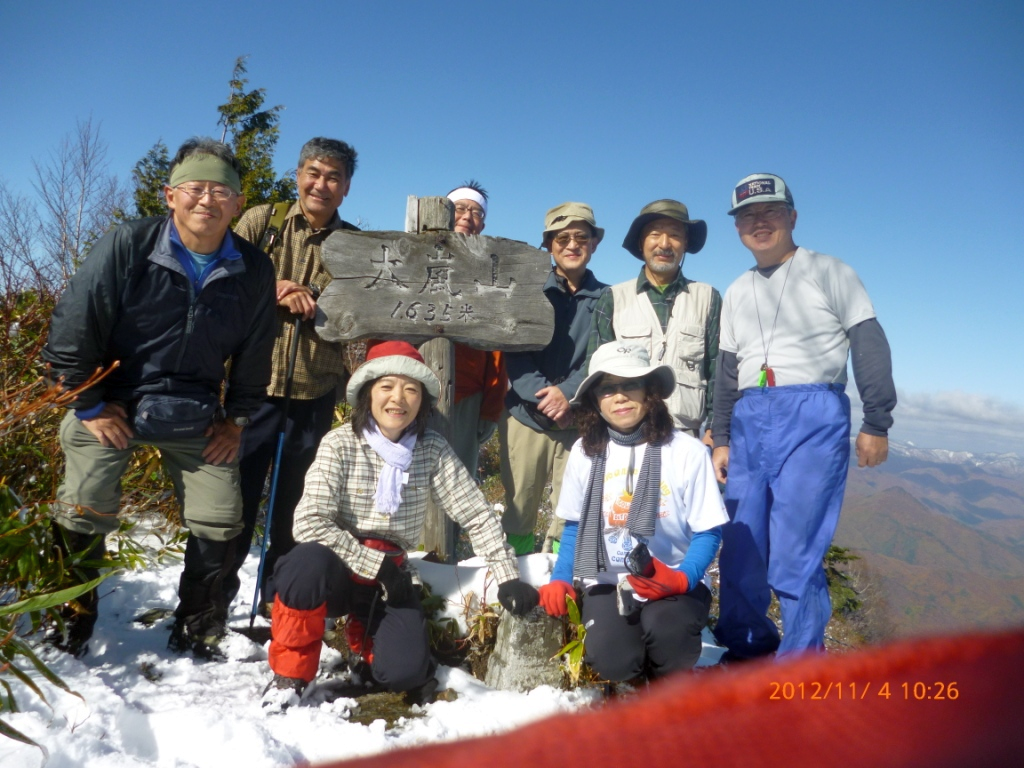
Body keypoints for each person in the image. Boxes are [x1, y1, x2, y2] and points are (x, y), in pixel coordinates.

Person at [41, 137, 276, 658]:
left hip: (195, 410)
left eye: (221, 191)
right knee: (84, 506)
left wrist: (236, 419)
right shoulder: (130, 244)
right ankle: (69, 622)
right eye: (195, 188)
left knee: (221, 516)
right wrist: (89, 404)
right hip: (114, 402)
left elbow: (258, 352)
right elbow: (74, 324)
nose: (207, 201)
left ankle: (198, 625)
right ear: (170, 195)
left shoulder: (253, 269)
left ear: (238, 203)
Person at [263, 341, 538, 705]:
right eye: (387, 387)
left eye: (411, 389)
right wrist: (372, 564)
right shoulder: (340, 443)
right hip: (335, 568)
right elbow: (309, 522)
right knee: (304, 563)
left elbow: (475, 512)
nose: (399, 399)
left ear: (422, 401)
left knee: (404, 672)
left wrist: (507, 577)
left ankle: (367, 650)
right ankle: (290, 675)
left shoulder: (431, 449)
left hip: (389, 577)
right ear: (367, 393)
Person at [711, 173, 896, 660]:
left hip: (812, 416)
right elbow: (726, 373)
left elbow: (868, 343)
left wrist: (877, 421)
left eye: (771, 211)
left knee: (797, 550)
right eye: (748, 215)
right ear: (737, 229)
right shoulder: (736, 290)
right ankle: (745, 649)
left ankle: (799, 669)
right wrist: (722, 437)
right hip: (750, 417)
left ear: (793, 217)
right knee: (742, 541)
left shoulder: (830, 271)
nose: (759, 221)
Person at [537, 342, 727, 680]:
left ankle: (666, 686)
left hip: (672, 576)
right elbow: (574, 526)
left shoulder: (686, 452)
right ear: (595, 400)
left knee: (668, 634)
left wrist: (682, 578)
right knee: (613, 659)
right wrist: (562, 577)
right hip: (607, 579)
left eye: (630, 384)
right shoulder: (585, 452)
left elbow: (708, 530)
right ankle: (634, 682)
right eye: (608, 388)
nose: (620, 397)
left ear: (650, 391)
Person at [231, 137, 360, 605]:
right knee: (234, 502)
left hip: (316, 389)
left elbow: (357, 319)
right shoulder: (260, 222)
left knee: (295, 507)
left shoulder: (354, 248)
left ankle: (277, 601)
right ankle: (212, 602)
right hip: (251, 387)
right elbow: (221, 281)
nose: (320, 184)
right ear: (298, 174)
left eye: (332, 177)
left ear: (346, 188)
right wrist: (274, 286)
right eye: (313, 172)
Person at [500, 203, 609, 555]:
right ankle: (514, 576)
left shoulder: (608, 299)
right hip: (525, 417)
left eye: (581, 236)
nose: (572, 244)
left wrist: (567, 395)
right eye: (562, 238)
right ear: (549, 245)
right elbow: (515, 352)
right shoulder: (528, 292)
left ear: (594, 243)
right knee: (518, 506)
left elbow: (601, 356)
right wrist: (545, 396)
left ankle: (560, 584)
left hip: (577, 419)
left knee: (570, 510)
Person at [588, 199, 721, 444]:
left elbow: (717, 372)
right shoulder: (613, 298)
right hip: (626, 435)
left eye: (674, 235)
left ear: (686, 243)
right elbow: (596, 372)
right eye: (655, 234)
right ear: (641, 242)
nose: (664, 244)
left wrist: (714, 431)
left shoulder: (708, 298)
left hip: (688, 436)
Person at [447, 181, 507, 479]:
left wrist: (491, 409)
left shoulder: (491, 271)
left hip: (467, 398)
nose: (467, 217)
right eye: (459, 208)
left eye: (476, 212)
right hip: (410, 391)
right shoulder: (409, 258)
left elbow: (498, 347)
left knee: (458, 488)